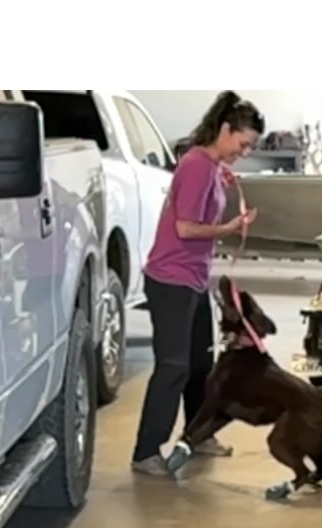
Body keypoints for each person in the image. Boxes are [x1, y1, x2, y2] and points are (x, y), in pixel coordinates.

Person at [131, 91, 265, 476]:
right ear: (225, 129)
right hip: (171, 278)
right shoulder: (195, 165)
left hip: (192, 277)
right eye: (242, 144)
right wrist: (228, 228)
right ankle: (144, 452)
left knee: (199, 363)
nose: (243, 152)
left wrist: (221, 181)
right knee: (173, 366)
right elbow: (185, 228)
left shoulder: (208, 166)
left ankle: (198, 435)